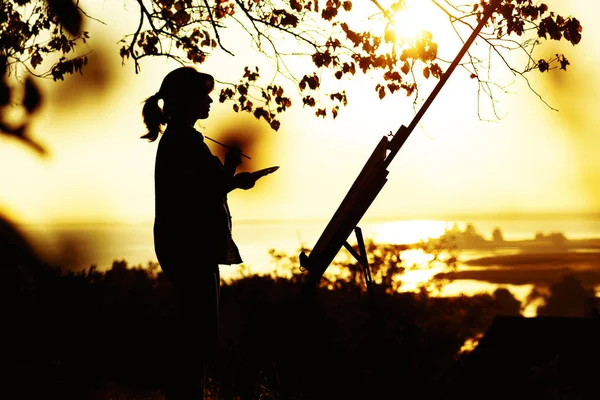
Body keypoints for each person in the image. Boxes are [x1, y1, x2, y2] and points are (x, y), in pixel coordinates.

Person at [141, 66, 260, 399]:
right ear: (188, 101)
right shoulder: (184, 141)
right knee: (198, 338)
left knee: (195, 334)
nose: (210, 102)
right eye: (203, 96)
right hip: (191, 249)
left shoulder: (180, 139)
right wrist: (232, 169)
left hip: (185, 247)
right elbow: (203, 191)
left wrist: (232, 176)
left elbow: (202, 189)